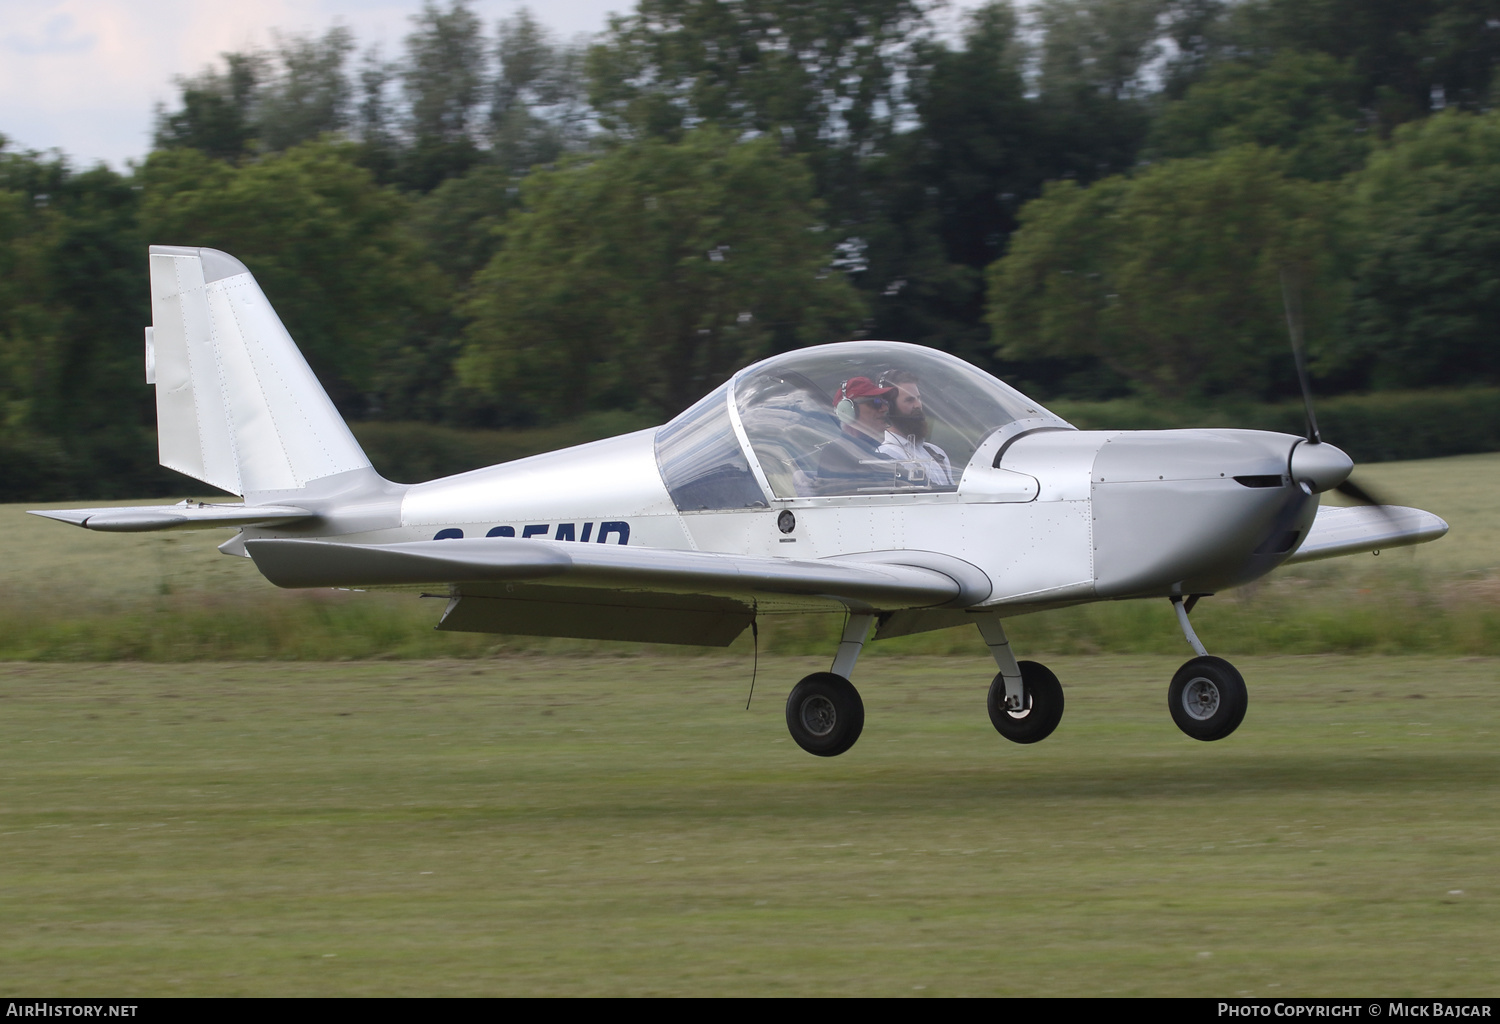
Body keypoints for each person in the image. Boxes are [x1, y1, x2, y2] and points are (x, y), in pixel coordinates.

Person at [810, 376, 900, 494]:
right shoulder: (836, 454)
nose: (884, 408)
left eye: (885, 403)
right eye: (876, 403)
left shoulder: (878, 456)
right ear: (847, 411)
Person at [876, 368, 953, 488]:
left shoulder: (936, 453)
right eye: (909, 400)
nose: (918, 405)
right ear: (888, 407)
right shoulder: (883, 456)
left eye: (918, 398)